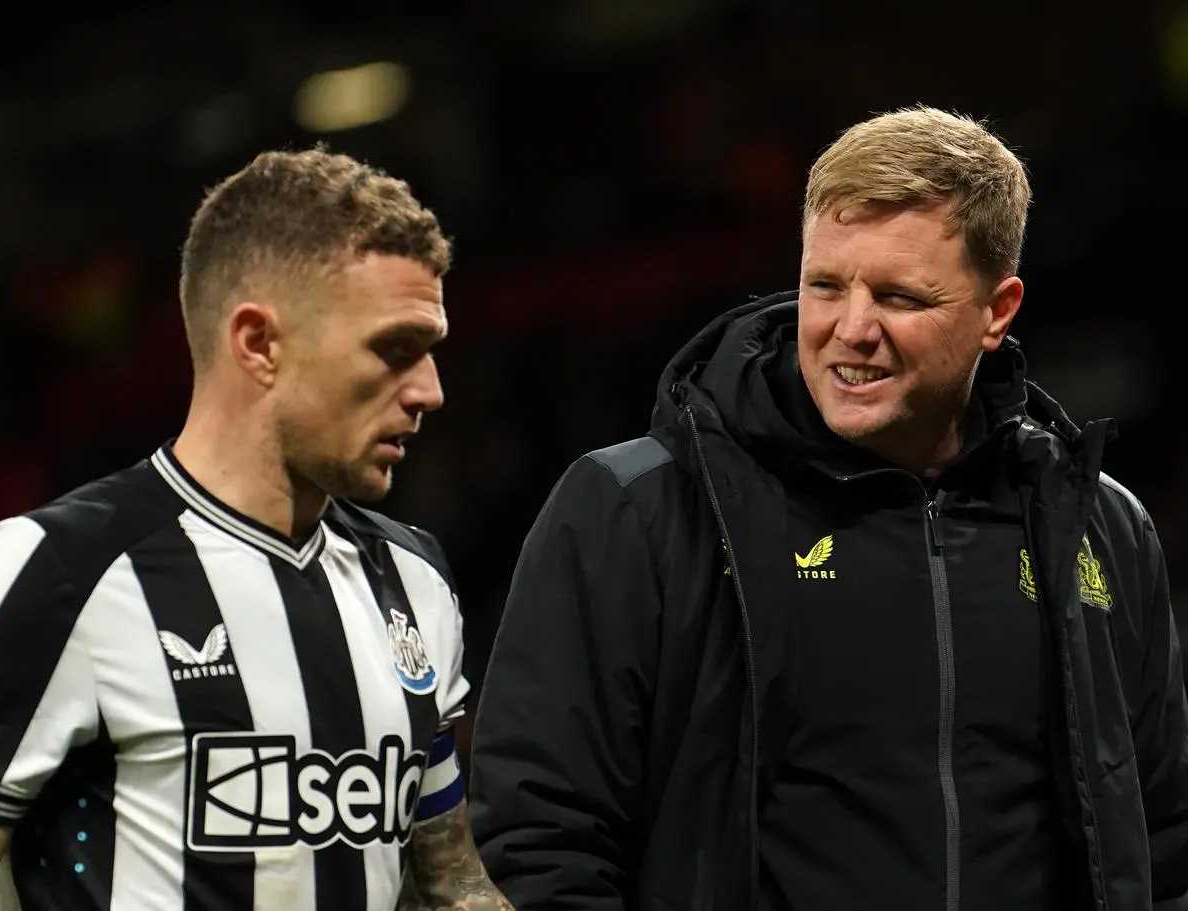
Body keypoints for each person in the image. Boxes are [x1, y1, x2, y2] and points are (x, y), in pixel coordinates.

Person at [469, 106, 1188, 911]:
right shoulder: (642, 510)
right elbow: (538, 837)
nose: (851, 329)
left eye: (899, 296)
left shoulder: (1100, 528)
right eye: (825, 285)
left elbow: (1162, 842)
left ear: (997, 310)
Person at [0, 147, 512, 911]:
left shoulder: (413, 582)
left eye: (431, 351)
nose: (430, 390)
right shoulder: (55, 572)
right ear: (258, 343)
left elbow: (452, 887)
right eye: (394, 349)